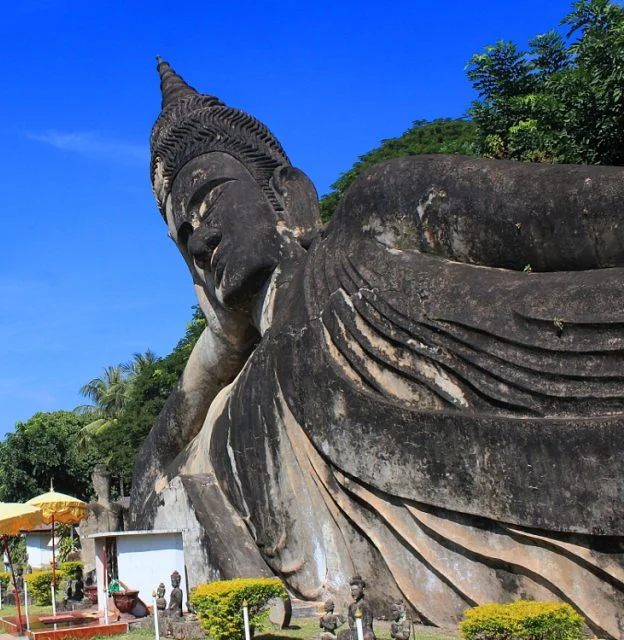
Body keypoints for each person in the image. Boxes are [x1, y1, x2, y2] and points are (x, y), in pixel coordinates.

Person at [128, 58, 624, 637]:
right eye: (183, 236)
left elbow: (582, 213)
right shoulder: (236, 404)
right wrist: (219, 341)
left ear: (289, 196)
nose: (202, 235)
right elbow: (151, 487)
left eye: (210, 197)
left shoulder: (371, 219)